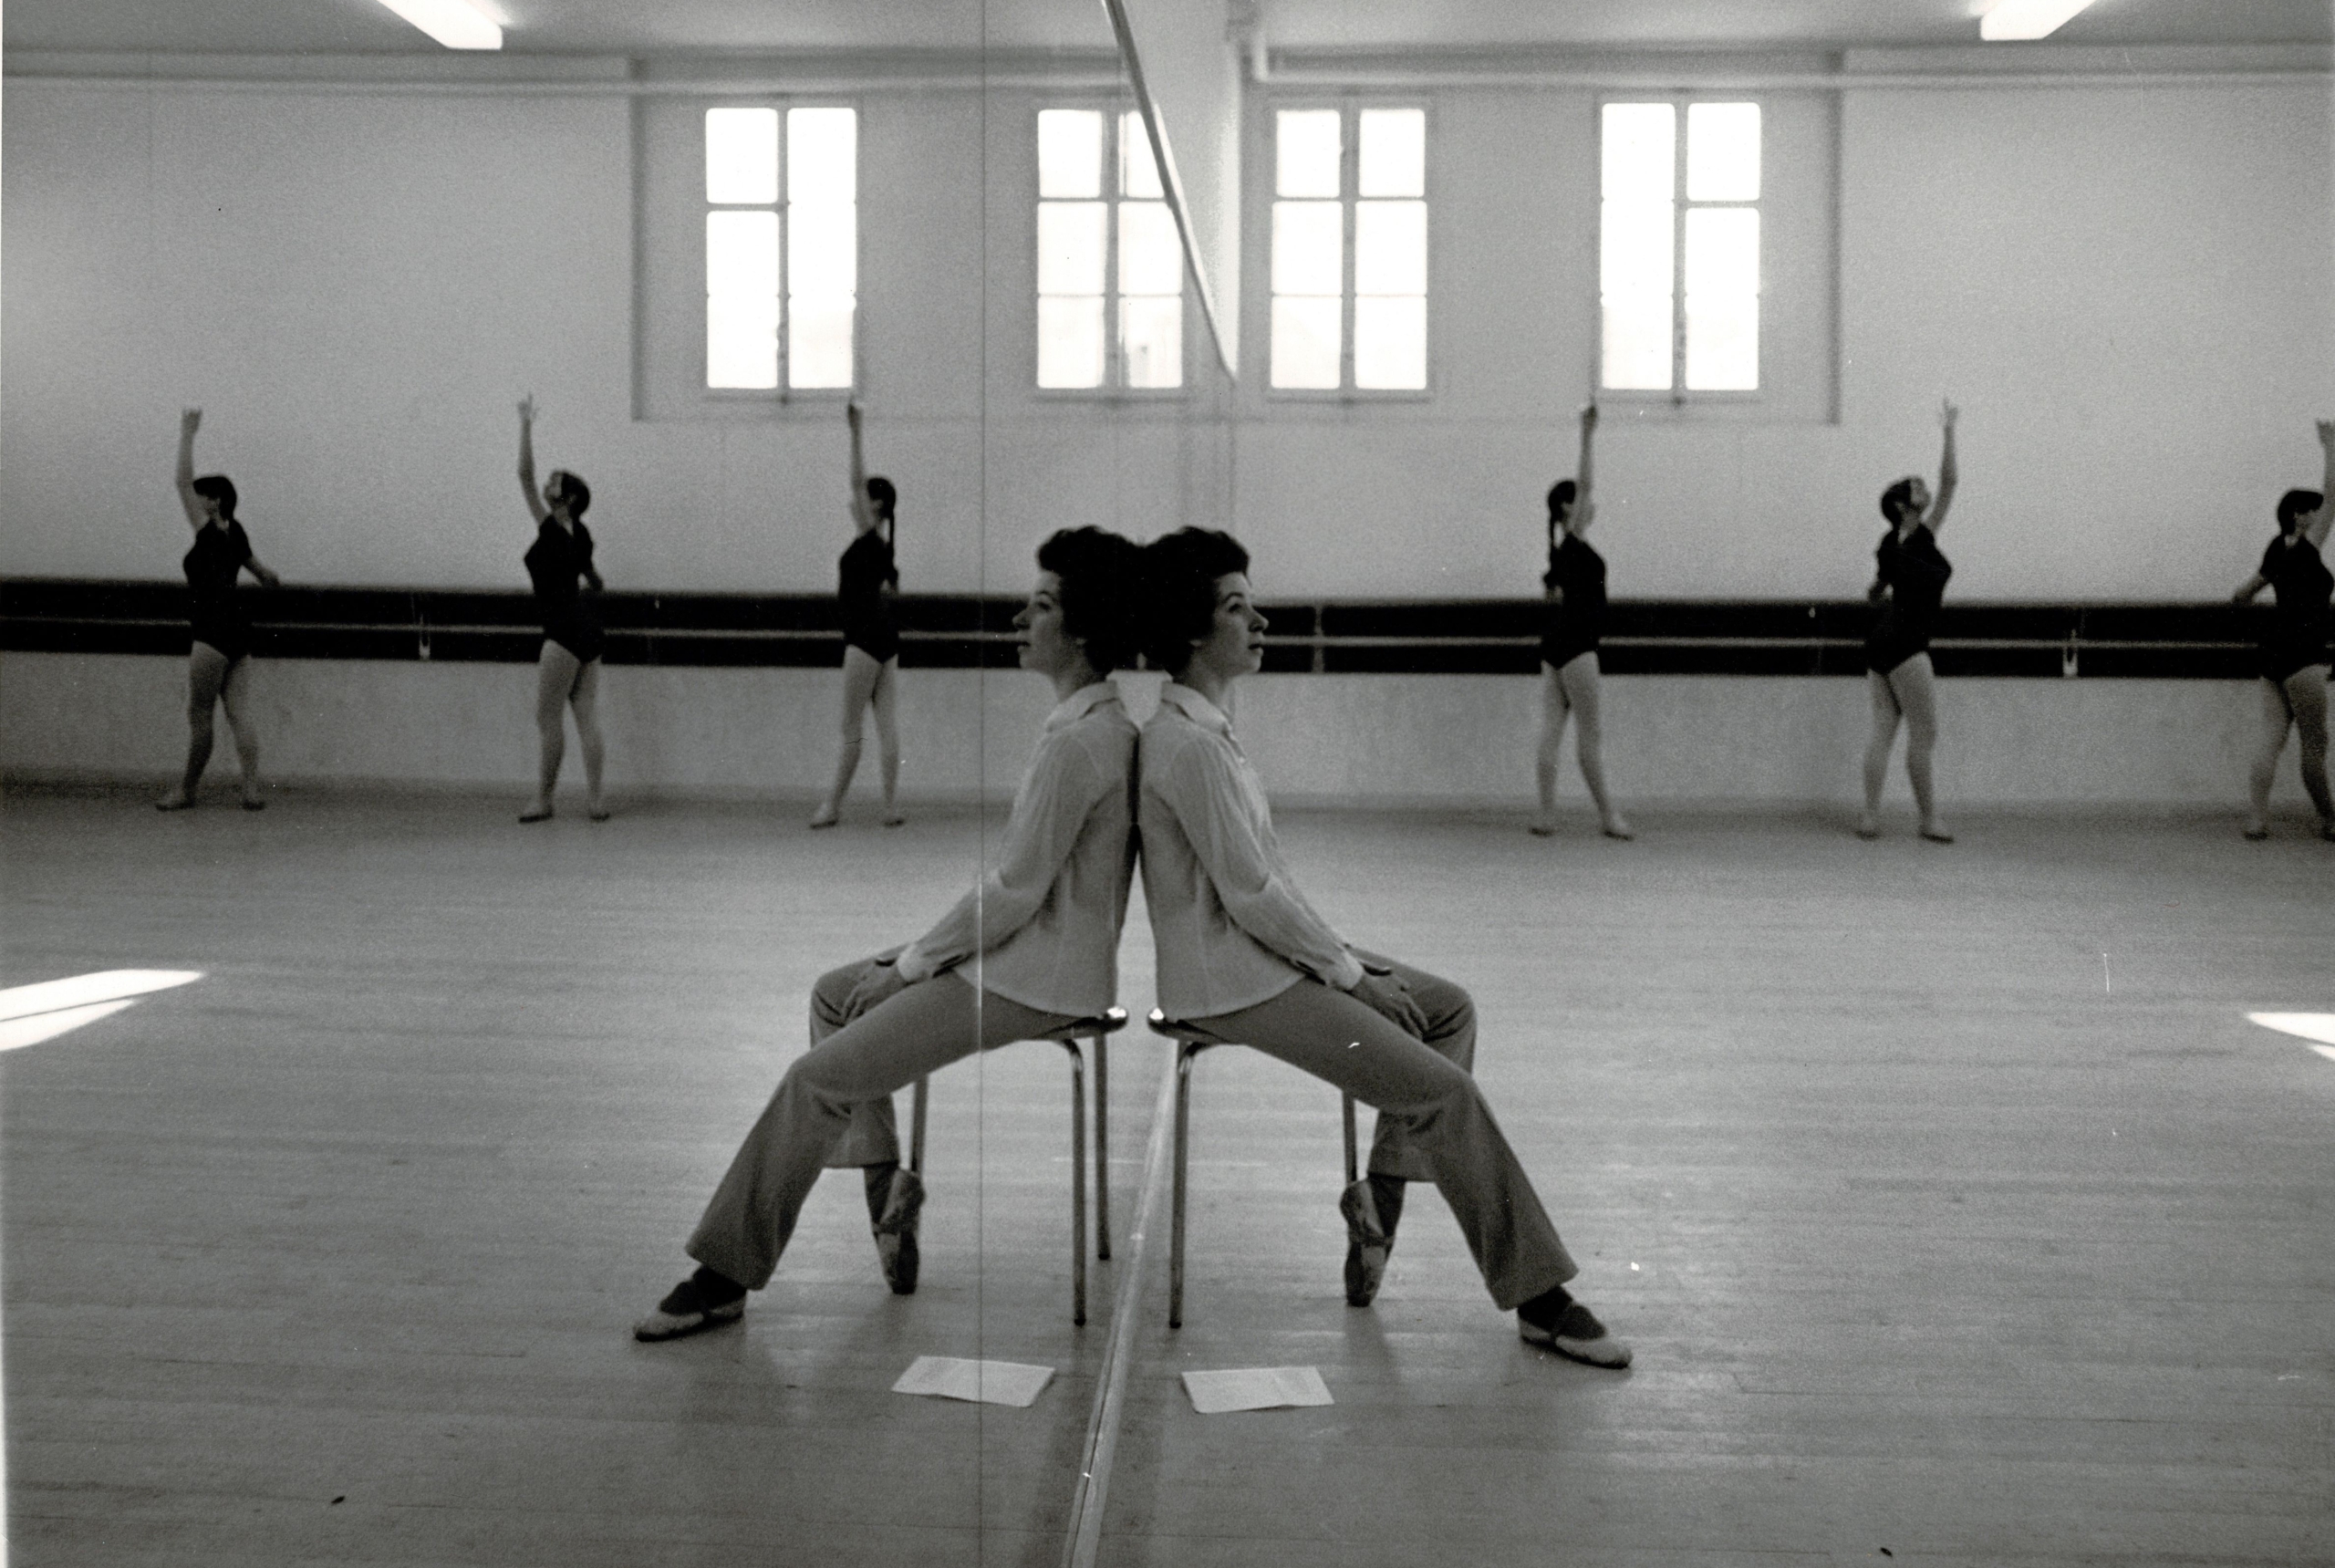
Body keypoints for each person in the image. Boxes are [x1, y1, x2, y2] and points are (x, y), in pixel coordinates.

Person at [1134, 526, 1631, 1368]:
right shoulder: (1185, 744)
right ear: (1190, 631)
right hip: (1228, 983)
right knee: (1447, 1097)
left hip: (1255, 956)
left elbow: (1265, 889)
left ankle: (1382, 1210)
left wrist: (1349, 966)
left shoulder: (1208, 730)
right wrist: (1350, 977)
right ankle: (1540, 1298)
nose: (1258, 621)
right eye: (1234, 607)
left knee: (1446, 1009)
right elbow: (1254, 896)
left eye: (1255, 603)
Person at [636, 528, 1143, 1341]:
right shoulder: (1086, 727)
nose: (1021, 618)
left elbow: (1011, 892)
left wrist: (910, 969)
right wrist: (908, 967)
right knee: (838, 994)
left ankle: (725, 1272)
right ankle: (887, 1202)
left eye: (1042, 605)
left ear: (1082, 632)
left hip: (1035, 980)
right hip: (1026, 958)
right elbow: (1014, 891)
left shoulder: (1084, 741)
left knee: (815, 1079)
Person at [158, 408, 281, 811]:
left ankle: (188, 790)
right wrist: (270, 580)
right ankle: (251, 789)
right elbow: (264, 574)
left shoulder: (206, 528)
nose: (195, 499)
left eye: (202, 495)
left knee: (200, 715)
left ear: (214, 501)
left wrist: (187, 433)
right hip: (239, 630)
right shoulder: (237, 531)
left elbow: (180, 481)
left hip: (210, 630)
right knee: (240, 714)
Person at [1856, 400, 1959, 842]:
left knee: (1883, 732)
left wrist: (1885, 591)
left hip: (1881, 640)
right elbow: (1951, 481)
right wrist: (1949, 431)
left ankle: (1870, 817)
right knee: (1924, 733)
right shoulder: (1920, 535)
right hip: (1907, 640)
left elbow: (1875, 590)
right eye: (1916, 489)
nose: (1926, 489)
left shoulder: (1887, 544)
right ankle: (1929, 819)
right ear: (1904, 507)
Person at [1532, 402, 1632, 839]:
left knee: (1552, 732)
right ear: (1568, 510)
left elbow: (1553, 594)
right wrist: (1587, 434)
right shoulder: (1572, 544)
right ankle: (1609, 816)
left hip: (1554, 646)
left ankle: (1546, 816)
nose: (1591, 502)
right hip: (1577, 647)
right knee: (1589, 738)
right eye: (1581, 499)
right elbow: (1587, 481)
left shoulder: (1560, 554)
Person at [2232, 420, 2335, 840]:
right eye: (2312, 510)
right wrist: (2329, 446)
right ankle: (2329, 819)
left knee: (2270, 739)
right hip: (2305, 652)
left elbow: (2241, 595)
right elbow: (2334, 494)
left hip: (2273, 652)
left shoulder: (2276, 552)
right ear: (2300, 516)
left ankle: (2257, 820)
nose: (2320, 515)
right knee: (2315, 745)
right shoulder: (2308, 549)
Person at [810, 400, 902, 828]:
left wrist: (856, 431)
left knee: (851, 729)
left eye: (865, 498)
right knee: (886, 726)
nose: (855, 500)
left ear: (876, 506)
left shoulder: (870, 538)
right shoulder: (882, 546)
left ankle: (831, 805)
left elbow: (854, 480)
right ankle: (890, 808)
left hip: (864, 640)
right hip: (885, 640)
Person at [515, 396, 607, 823]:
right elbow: (596, 581)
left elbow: (523, 475)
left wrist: (525, 426)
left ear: (565, 500)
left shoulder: (551, 527)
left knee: (547, 718)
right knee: (586, 717)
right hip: (588, 630)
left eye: (557, 483)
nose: (549, 484)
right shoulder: (583, 535)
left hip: (562, 630)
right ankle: (595, 800)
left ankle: (544, 799)